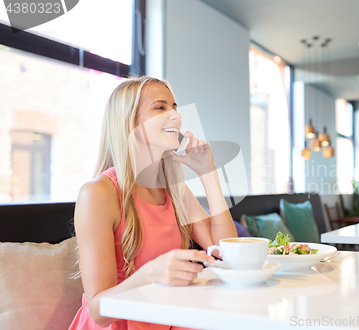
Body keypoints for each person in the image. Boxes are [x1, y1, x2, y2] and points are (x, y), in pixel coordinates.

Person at [68, 76, 237, 330]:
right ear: (129, 121)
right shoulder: (98, 194)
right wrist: (150, 274)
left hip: (166, 319)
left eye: (175, 107)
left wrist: (208, 174)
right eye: (160, 107)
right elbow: (99, 311)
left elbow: (228, 253)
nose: (176, 116)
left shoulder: (175, 192)